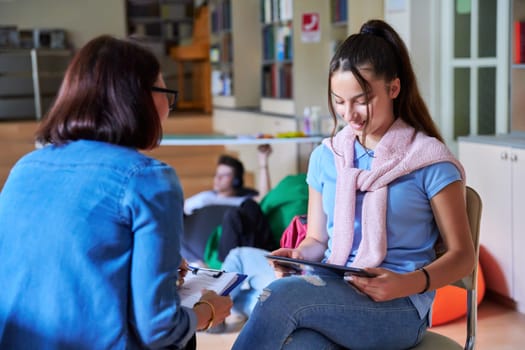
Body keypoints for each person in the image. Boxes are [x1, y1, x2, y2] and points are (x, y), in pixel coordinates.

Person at [232, 19, 475, 350]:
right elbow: (318, 239)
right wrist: (297, 255)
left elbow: (463, 257)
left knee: (278, 296)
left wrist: (409, 283)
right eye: (339, 101)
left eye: (362, 100)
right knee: (301, 345)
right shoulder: (326, 156)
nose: (350, 114)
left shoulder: (430, 160)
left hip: (401, 306)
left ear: (393, 88)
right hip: (336, 289)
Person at [0, 35, 232, 350]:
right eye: (165, 92)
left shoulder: (25, 167)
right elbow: (158, 329)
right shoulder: (149, 179)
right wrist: (207, 312)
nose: (168, 107)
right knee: (183, 335)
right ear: (140, 100)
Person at [183, 144, 273, 215]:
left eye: (224, 175)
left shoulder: (242, 202)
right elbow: (179, 209)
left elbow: (265, 199)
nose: (218, 178)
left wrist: (263, 162)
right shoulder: (205, 198)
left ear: (236, 180)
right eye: (217, 174)